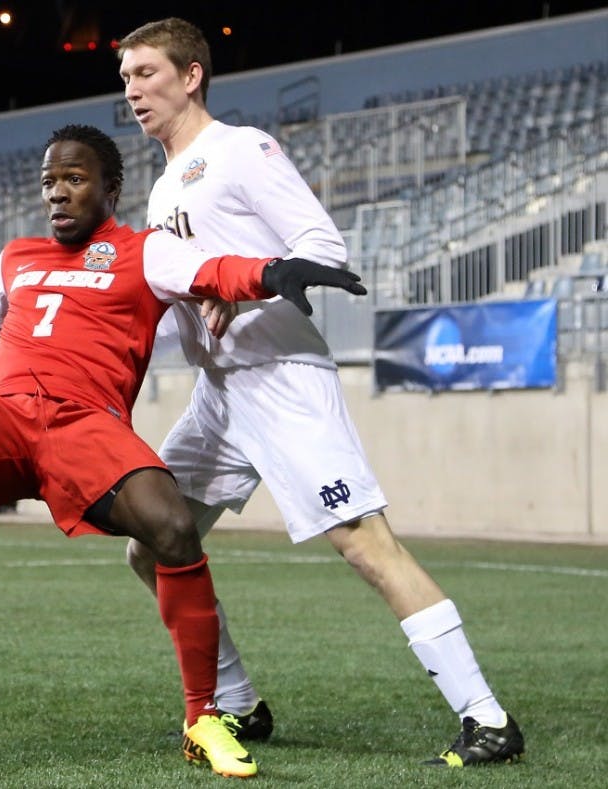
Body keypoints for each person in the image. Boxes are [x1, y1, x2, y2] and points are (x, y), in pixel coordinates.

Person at [0, 123, 366, 779]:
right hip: (6, 412)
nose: (58, 194)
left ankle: (201, 717)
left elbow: (215, 271)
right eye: (49, 182)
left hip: (85, 426)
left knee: (173, 528)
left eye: (74, 179)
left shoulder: (146, 252)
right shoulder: (17, 257)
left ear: (110, 188)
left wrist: (274, 271)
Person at [116, 17, 524, 768]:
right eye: (127, 79)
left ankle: (487, 717)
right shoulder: (164, 184)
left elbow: (321, 248)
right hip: (219, 394)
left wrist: (245, 291)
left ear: (191, 74)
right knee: (153, 543)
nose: (132, 90)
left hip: (281, 378)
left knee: (365, 542)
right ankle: (238, 705)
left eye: (146, 74)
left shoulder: (241, 150)